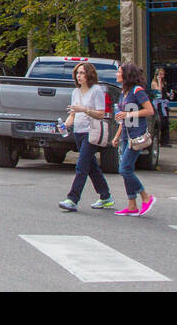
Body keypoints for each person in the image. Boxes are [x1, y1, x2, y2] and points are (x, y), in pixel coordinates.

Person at [58, 62, 115, 212]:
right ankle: (105, 196)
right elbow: (72, 114)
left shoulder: (96, 90)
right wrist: (65, 125)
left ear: (89, 75)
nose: (79, 76)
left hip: (92, 131)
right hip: (79, 131)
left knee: (81, 166)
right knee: (92, 167)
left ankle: (72, 199)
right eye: (77, 73)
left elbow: (101, 114)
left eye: (82, 73)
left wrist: (84, 109)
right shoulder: (75, 92)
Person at [111, 63, 156, 216]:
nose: (116, 74)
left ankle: (146, 197)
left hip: (136, 136)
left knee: (124, 169)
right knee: (127, 170)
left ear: (127, 75)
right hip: (125, 135)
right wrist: (117, 136)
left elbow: (149, 110)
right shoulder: (124, 92)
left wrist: (128, 115)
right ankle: (131, 205)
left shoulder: (138, 91)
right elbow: (123, 118)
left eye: (119, 72)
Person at [150, 67, 172, 146]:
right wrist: (159, 81)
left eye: (163, 74)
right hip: (158, 104)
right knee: (161, 122)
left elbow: (164, 92)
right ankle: (158, 139)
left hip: (164, 103)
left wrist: (168, 94)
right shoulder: (154, 83)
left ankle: (165, 141)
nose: (162, 76)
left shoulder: (164, 82)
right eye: (160, 74)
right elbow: (158, 91)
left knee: (166, 122)